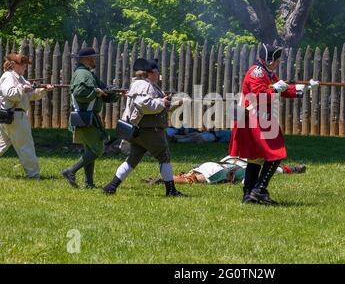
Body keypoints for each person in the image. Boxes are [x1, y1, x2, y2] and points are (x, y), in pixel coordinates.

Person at [229, 44, 319, 205]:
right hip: (253, 117)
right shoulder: (257, 73)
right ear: (270, 59)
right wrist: (276, 89)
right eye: (276, 59)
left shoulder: (267, 72)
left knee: (255, 158)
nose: (278, 62)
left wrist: (305, 88)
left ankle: (249, 195)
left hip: (258, 117)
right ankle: (259, 190)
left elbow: (284, 89)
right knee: (276, 153)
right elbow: (259, 96)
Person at [102, 58, 186, 197]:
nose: (159, 73)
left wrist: (175, 103)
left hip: (142, 131)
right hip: (149, 130)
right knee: (164, 157)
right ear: (151, 72)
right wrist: (162, 102)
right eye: (157, 71)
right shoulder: (143, 85)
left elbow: (157, 105)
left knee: (132, 160)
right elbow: (145, 106)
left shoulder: (145, 85)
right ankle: (171, 191)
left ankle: (111, 186)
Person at [62, 48, 120, 189]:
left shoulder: (87, 74)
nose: (95, 60)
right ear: (87, 59)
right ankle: (70, 171)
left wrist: (114, 92)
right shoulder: (84, 74)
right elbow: (80, 92)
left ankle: (89, 183)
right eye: (93, 58)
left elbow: (103, 90)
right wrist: (95, 92)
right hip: (86, 115)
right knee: (96, 150)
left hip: (87, 116)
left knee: (90, 149)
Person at [0, 53, 53, 178]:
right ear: (14, 65)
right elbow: (10, 93)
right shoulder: (8, 76)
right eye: (23, 65)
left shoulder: (19, 78)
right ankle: (34, 175)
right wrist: (23, 88)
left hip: (11, 117)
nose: (25, 67)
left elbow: (30, 96)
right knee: (26, 147)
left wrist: (44, 89)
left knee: (1, 145)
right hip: (15, 117)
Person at [144, 156, 307, 185]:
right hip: (220, 168)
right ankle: (165, 179)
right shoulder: (259, 168)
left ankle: (166, 178)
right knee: (193, 179)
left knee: (192, 175)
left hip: (218, 164)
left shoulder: (236, 156)